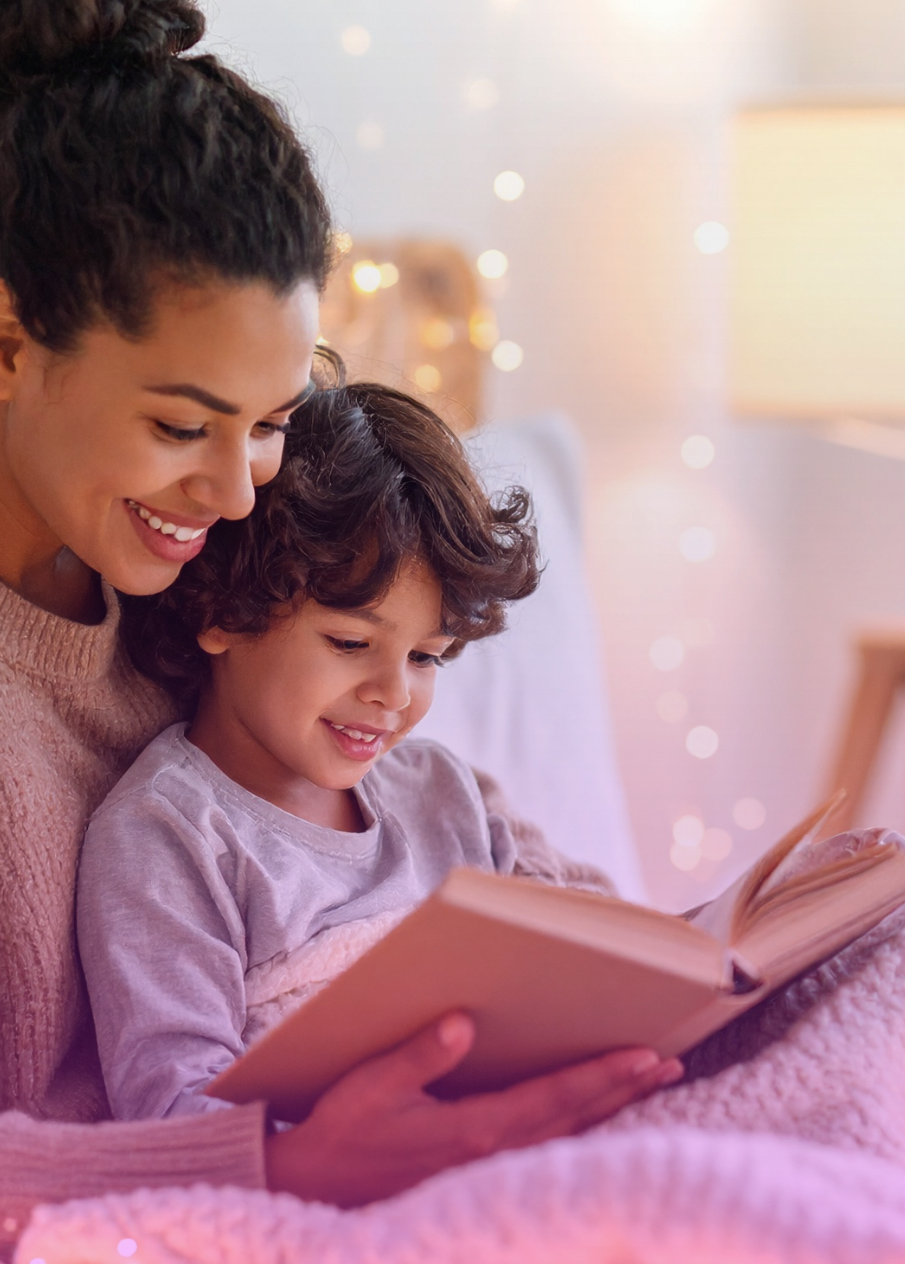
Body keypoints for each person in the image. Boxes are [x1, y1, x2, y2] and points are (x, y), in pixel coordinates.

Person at [0, 0, 673, 1254]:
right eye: (183, 424)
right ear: (5, 343)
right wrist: (278, 1165)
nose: (236, 492)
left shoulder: (211, 552)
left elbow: (480, 847)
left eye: (270, 422)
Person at [78, 383, 650, 1123]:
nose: (393, 694)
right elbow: (171, 1107)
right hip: (352, 1169)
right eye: (351, 643)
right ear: (222, 611)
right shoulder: (170, 835)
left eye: (426, 657)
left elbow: (601, 939)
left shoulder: (443, 789)